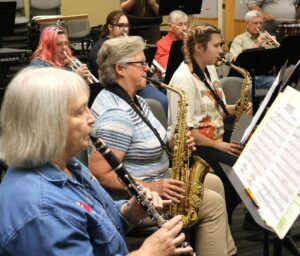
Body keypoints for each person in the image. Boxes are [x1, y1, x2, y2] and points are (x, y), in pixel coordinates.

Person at [0, 67, 193, 256]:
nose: (92, 118)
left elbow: (95, 221)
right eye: (79, 112)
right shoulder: (43, 212)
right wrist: (149, 252)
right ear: (48, 124)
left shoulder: (67, 165)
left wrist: (128, 211)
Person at [88, 35, 237, 256]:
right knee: (212, 203)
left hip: (154, 180)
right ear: (120, 69)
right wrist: (151, 188)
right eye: (141, 64)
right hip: (135, 201)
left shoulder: (133, 99)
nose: (147, 69)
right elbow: (100, 174)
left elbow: (149, 138)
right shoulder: (116, 115)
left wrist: (173, 142)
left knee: (213, 181)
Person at [167, 24, 253, 220]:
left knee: (252, 156)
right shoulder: (183, 80)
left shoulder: (209, 70)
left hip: (215, 140)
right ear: (199, 47)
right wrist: (219, 145)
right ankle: (221, 216)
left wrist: (237, 108)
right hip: (194, 148)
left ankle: (226, 215)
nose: (221, 50)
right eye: (217, 45)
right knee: (239, 170)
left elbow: (216, 111)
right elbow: (184, 131)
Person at [229, 10, 276, 89]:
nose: (258, 26)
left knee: (278, 83)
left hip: (261, 76)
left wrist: (276, 47)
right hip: (244, 78)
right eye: (255, 23)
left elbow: (274, 58)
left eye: (260, 23)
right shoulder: (239, 39)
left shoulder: (266, 38)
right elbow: (234, 60)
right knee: (248, 89)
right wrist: (257, 44)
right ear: (247, 24)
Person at [89, 10, 130, 78]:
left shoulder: (125, 44)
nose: (125, 29)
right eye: (121, 25)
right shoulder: (99, 48)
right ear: (110, 27)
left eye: (127, 25)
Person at [154, 10, 188, 74]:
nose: (184, 28)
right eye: (180, 24)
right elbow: (166, 70)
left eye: (185, 24)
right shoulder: (161, 44)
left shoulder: (187, 41)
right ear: (170, 27)